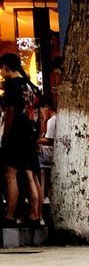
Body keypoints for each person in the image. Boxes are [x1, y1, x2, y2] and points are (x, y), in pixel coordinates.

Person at [0, 52, 42, 227]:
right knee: (31, 175)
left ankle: (9, 216)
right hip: (30, 135)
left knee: (10, 175)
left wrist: (5, 136)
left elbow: (10, 113)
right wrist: (38, 134)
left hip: (16, 135)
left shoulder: (12, 86)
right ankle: (35, 216)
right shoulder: (31, 86)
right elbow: (41, 114)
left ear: (6, 67)